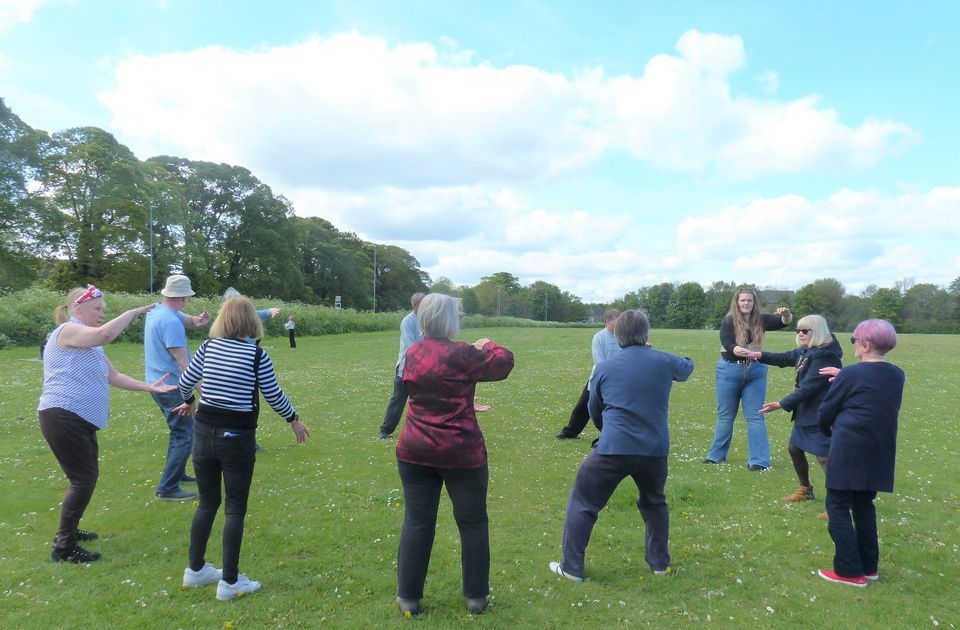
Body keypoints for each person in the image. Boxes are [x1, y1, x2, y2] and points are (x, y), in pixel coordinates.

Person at [173, 296, 310, 600]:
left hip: (204, 433)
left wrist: (190, 402)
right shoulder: (256, 355)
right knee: (235, 507)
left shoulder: (208, 348)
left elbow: (185, 382)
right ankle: (230, 582)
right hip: (237, 437)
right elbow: (274, 395)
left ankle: (195, 571)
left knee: (208, 503)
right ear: (252, 321)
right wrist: (294, 421)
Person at [550, 310, 693, 583]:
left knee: (583, 503)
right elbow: (687, 366)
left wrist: (606, 430)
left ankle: (572, 568)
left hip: (613, 447)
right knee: (655, 503)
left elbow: (594, 408)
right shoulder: (663, 362)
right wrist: (655, 353)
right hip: (654, 449)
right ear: (647, 334)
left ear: (616, 335)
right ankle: (660, 564)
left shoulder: (604, 367)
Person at [393, 293, 514, 616]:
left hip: (415, 448)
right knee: (473, 522)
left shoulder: (412, 353)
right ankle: (476, 596)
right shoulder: (463, 354)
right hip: (461, 452)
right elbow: (504, 364)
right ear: (451, 320)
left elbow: (418, 390)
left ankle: (408, 596)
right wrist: (488, 344)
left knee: (417, 522)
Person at [39, 285, 176, 563]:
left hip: (75, 418)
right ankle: (63, 547)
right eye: (97, 309)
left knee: (85, 477)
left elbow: (113, 376)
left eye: (104, 309)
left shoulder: (87, 342)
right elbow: (107, 334)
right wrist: (132, 312)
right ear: (77, 308)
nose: (102, 313)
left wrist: (148, 386)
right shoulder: (67, 331)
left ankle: (71, 532)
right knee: (83, 479)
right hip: (63, 415)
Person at [815, 319, 904, 588]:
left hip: (850, 447)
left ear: (866, 344)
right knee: (864, 505)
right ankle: (869, 567)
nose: (853, 343)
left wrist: (827, 427)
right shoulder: (897, 374)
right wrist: (843, 378)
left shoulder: (851, 374)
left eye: (854, 339)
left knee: (838, 507)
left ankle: (849, 571)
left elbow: (827, 411)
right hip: (878, 449)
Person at [752, 315, 842, 512]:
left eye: (805, 331)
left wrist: (781, 404)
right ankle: (805, 489)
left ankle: (838, 504)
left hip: (822, 411)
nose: (800, 334)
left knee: (824, 457)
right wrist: (759, 355)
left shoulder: (826, 355)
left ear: (817, 332)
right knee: (794, 448)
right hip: (807, 410)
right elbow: (785, 358)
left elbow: (809, 388)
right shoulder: (807, 350)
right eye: (798, 330)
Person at [703, 287, 792, 470]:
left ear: (754, 303)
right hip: (729, 371)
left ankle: (759, 462)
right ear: (737, 302)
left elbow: (783, 322)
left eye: (749, 301)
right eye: (742, 300)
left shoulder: (761, 320)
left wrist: (787, 314)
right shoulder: (729, 321)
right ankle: (716, 456)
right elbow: (727, 343)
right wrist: (738, 351)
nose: (746, 304)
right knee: (725, 416)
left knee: (755, 417)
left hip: (756, 371)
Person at [145, 274, 210, 501]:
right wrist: (204, 393)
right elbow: (185, 365)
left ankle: (178, 473)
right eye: (187, 298)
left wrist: (198, 321)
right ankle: (167, 488)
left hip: (157, 383)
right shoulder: (170, 322)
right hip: (171, 387)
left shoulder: (158, 312)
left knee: (180, 432)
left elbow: (188, 320)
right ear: (182, 297)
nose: (188, 302)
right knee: (185, 434)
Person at [555, 309, 621, 439]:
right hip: (599, 378)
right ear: (608, 321)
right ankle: (570, 432)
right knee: (584, 406)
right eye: (616, 320)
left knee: (615, 409)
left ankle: (613, 435)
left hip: (619, 380)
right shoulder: (599, 337)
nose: (620, 324)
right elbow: (599, 361)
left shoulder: (624, 337)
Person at [378, 292, 426, 440]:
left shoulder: (427, 320)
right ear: (416, 305)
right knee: (398, 400)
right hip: (407, 367)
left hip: (424, 366)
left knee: (424, 400)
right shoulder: (408, 321)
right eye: (424, 304)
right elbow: (412, 346)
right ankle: (385, 431)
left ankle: (424, 430)